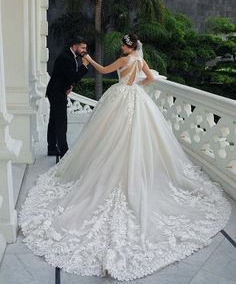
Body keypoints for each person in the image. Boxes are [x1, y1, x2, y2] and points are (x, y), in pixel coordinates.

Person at [20, 34, 231, 281]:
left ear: (128, 47)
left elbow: (101, 69)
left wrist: (89, 58)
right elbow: (150, 79)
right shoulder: (140, 61)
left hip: (120, 98)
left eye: (123, 44)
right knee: (137, 138)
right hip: (137, 99)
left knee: (109, 138)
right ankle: (132, 172)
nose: (121, 46)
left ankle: (111, 172)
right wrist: (134, 86)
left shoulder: (123, 60)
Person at [46, 36, 89, 158]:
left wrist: (68, 86)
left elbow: (65, 76)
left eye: (85, 48)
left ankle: (52, 147)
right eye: (82, 47)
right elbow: (74, 77)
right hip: (56, 92)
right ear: (74, 46)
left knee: (54, 120)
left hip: (57, 90)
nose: (84, 50)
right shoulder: (66, 58)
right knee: (61, 122)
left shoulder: (69, 56)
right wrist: (84, 66)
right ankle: (63, 152)